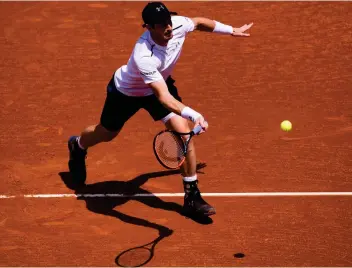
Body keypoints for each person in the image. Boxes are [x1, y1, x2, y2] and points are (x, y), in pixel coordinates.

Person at [68, 1, 253, 217]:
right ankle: (78, 146)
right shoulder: (143, 55)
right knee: (106, 133)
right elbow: (163, 97)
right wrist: (194, 114)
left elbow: (200, 23)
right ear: (148, 27)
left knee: (183, 133)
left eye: (167, 21)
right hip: (127, 93)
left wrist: (232, 30)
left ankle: (192, 196)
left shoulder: (177, 25)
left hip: (160, 83)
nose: (167, 27)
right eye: (160, 24)